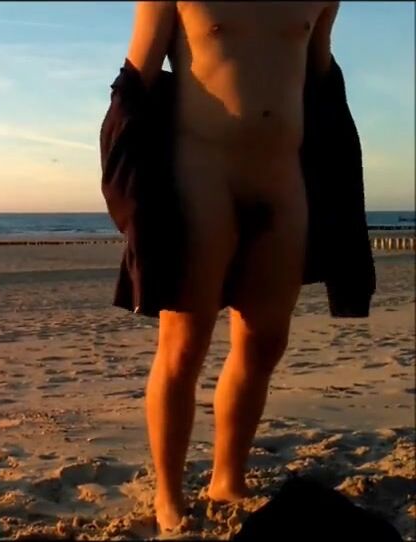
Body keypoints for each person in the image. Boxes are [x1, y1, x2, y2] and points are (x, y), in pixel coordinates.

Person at [117, 1, 356, 533]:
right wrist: (134, 198)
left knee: (265, 339)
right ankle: (169, 493)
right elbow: (136, 83)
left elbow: (321, 82)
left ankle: (228, 477)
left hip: (282, 177)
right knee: (184, 343)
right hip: (202, 172)